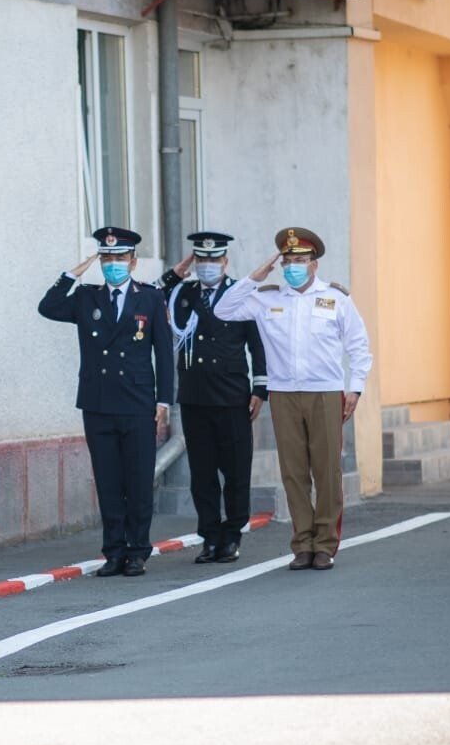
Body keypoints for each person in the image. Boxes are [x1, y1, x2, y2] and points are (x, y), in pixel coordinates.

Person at [213, 227, 372, 571]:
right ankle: (302, 544)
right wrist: (253, 278)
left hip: (325, 392)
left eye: (300, 261)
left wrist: (355, 387)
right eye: (287, 262)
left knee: (327, 472)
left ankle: (325, 544)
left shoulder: (336, 298)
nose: (292, 267)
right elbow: (223, 310)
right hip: (283, 394)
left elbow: (359, 346)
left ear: (314, 264)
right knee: (293, 473)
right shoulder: (266, 298)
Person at [38, 226, 173, 577]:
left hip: (138, 402)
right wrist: (73, 274)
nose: (114, 264)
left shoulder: (150, 298)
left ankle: (138, 551)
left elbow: (163, 353)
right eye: (107, 258)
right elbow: (48, 307)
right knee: (109, 481)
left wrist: (164, 401)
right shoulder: (87, 297)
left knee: (138, 481)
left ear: (133, 261)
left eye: (120, 257)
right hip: (98, 402)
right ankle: (114, 551)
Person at [159, 230, 268, 564]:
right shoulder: (183, 292)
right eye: (201, 259)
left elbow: (258, 345)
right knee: (203, 474)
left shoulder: (241, 294)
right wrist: (174, 274)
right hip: (195, 396)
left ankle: (232, 535)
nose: (208, 265)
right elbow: (149, 296)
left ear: (225, 261)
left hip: (232, 396)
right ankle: (209, 536)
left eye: (214, 259)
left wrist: (259, 389)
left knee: (235, 471)